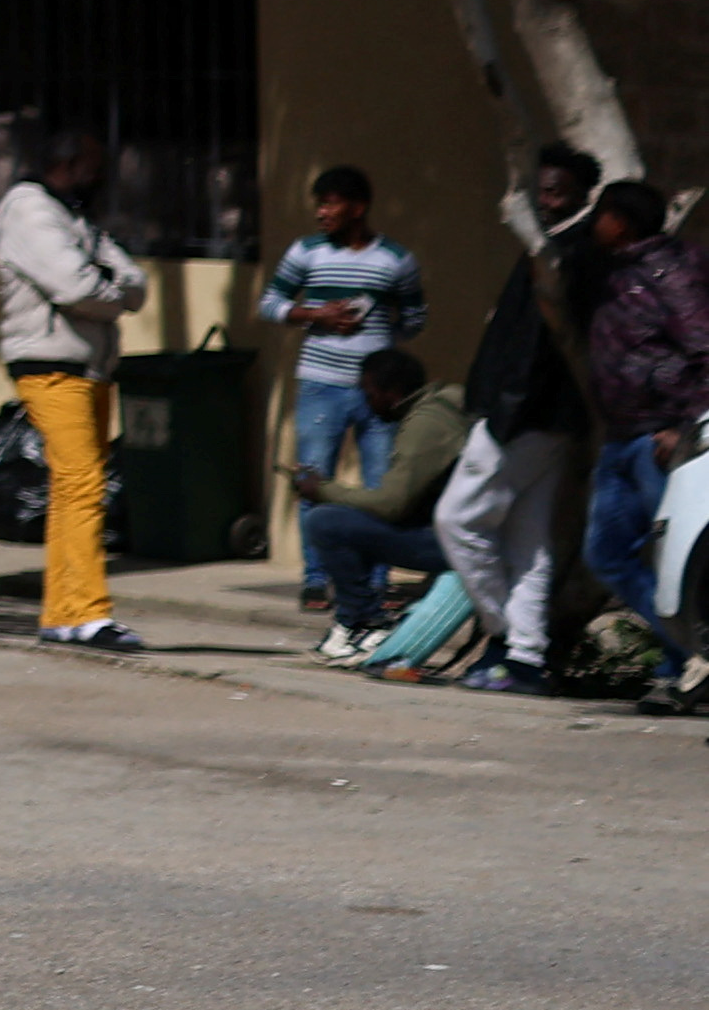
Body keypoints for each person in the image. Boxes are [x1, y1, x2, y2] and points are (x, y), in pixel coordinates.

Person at [423, 155, 599, 694]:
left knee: (456, 520)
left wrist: (502, 417)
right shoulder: (563, 250)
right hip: (551, 422)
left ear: (583, 195)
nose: (547, 202)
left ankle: (505, 635)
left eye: (558, 192)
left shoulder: (564, 255)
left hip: (521, 417)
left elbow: (531, 350)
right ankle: (526, 655)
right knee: (529, 543)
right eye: (541, 192)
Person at [0, 121, 155, 654]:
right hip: (50, 365)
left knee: (71, 488)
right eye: (91, 163)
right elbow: (77, 285)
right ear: (66, 162)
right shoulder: (31, 211)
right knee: (84, 484)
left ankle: (63, 613)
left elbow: (132, 278)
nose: (98, 175)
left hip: (87, 368)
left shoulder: (69, 213)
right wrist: (112, 289)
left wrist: (111, 286)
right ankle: (88, 612)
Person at [568, 180, 709, 709]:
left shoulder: (672, 272)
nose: (594, 223)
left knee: (672, 561)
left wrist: (684, 428)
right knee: (606, 553)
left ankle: (686, 670)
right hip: (621, 437)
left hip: (661, 439)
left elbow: (705, 349)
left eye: (600, 214)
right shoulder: (617, 269)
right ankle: (691, 658)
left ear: (621, 222)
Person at [260, 164, 426, 610]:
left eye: (330, 203)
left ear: (358, 208)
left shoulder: (395, 259)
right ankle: (316, 580)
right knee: (314, 480)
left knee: (380, 488)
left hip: (380, 395)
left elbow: (414, 318)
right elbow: (270, 303)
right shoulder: (306, 253)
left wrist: (380, 336)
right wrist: (316, 316)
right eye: (320, 203)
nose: (321, 213)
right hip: (320, 385)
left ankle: (376, 580)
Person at [292, 348, 465, 644]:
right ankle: (358, 619)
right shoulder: (445, 403)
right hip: (467, 535)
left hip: (457, 544)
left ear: (392, 392)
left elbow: (390, 505)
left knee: (327, 522)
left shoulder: (426, 424)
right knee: (351, 519)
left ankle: (363, 621)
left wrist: (322, 490)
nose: (366, 403)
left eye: (369, 393)